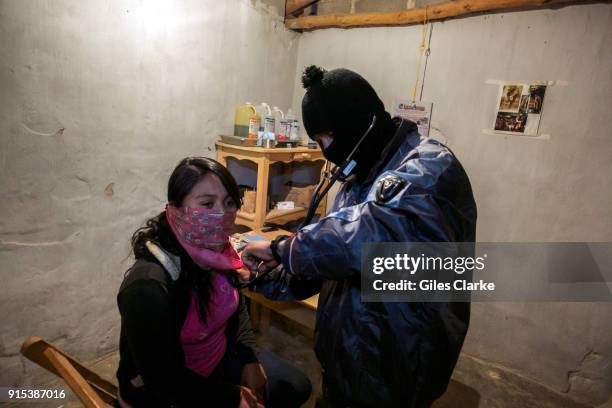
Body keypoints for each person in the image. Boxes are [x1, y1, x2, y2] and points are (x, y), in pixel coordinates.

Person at [240, 66, 477, 407]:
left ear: (360, 124)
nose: (325, 150)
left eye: (327, 138)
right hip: (349, 358)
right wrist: (258, 277)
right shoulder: (362, 174)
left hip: (396, 364)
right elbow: (330, 263)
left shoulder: (429, 169)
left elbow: (361, 237)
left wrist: (283, 248)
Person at [117, 157, 311, 408]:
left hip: (218, 358)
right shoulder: (148, 286)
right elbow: (163, 380)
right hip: (167, 392)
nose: (221, 213)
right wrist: (232, 397)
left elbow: (234, 305)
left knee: (296, 387)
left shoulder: (220, 254)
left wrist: (248, 357)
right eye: (207, 203)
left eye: (229, 203)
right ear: (175, 209)